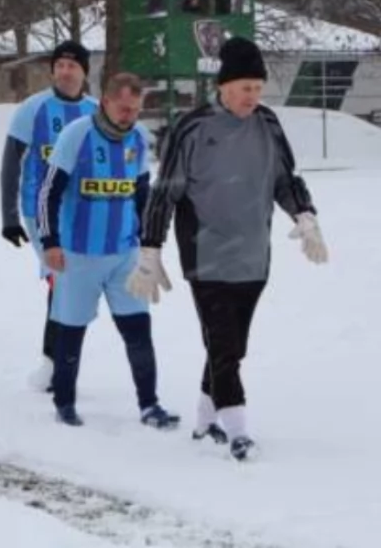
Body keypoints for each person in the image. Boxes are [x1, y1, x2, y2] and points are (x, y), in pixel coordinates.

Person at [128, 37, 328, 461]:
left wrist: (305, 216)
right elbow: (165, 192)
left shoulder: (268, 125)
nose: (252, 97)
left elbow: (285, 180)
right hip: (207, 255)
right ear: (223, 86)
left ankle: (205, 421)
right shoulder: (194, 127)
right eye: (245, 88)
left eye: (258, 88)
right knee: (222, 344)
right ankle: (238, 432)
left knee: (231, 347)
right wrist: (150, 249)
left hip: (254, 255)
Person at [36, 72, 180, 429]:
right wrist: (50, 242)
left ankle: (150, 405)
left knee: (138, 330)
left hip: (123, 255)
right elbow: (47, 193)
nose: (129, 115)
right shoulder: (77, 134)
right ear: (105, 102)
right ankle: (65, 403)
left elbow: (144, 197)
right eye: (123, 108)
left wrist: (149, 249)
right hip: (78, 254)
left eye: (135, 109)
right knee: (71, 331)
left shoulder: (138, 140)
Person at [0, 41, 99, 391]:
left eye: (73, 66)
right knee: (62, 280)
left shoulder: (95, 112)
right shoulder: (34, 108)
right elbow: (12, 163)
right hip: (38, 211)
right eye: (60, 65)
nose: (65, 71)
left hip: (82, 214)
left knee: (74, 284)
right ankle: (52, 362)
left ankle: (58, 361)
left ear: (84, 72)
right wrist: (9, 215)